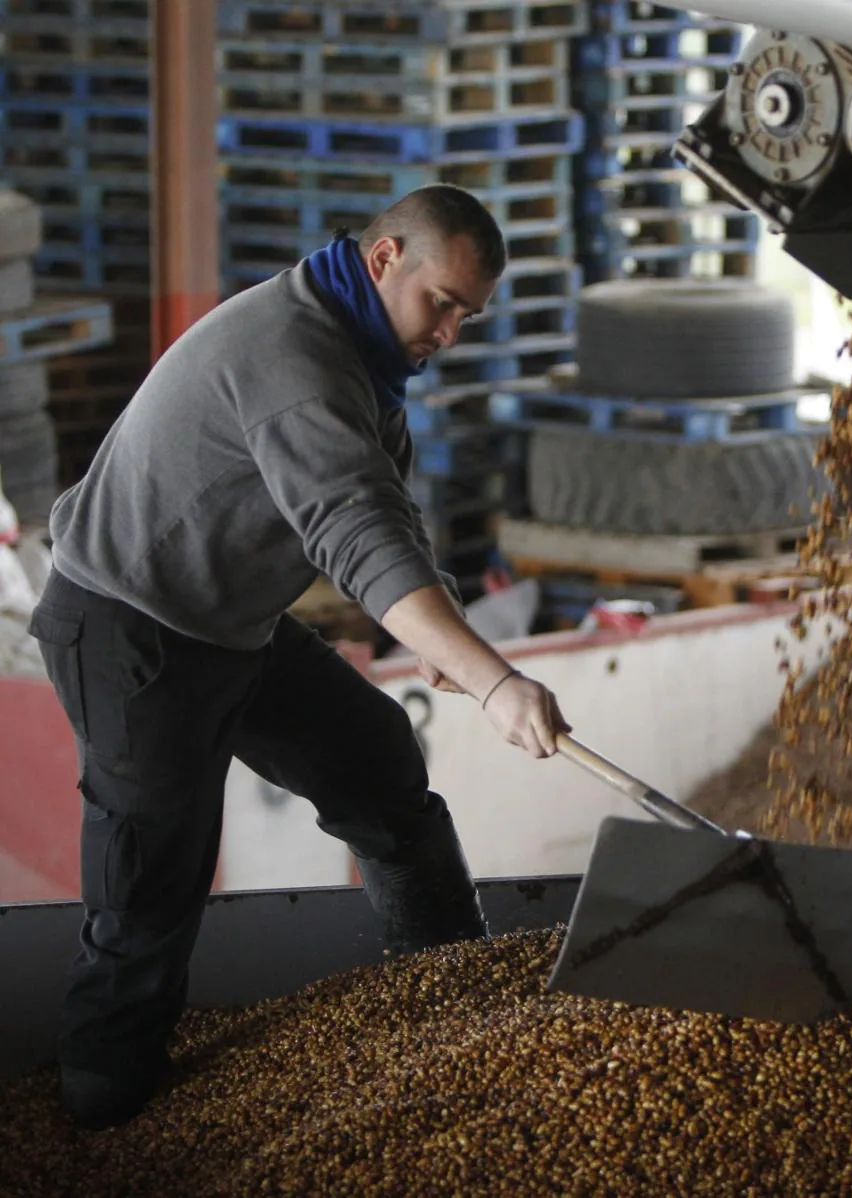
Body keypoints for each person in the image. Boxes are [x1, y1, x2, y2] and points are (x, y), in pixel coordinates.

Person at [27, 184, 570, 1130]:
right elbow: (356, 534)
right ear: (384, 258)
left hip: (227, 622)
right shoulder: (297, 356)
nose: (449, 332)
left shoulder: (360, 351)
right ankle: (99, 1112)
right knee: (151, 878)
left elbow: (384, 519)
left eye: (467, 316)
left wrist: (436, 635)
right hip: (129, 627)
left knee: (375, 757)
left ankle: (450, 996)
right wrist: (496, 681)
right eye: (441, 303)